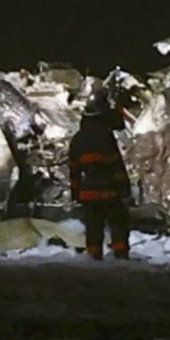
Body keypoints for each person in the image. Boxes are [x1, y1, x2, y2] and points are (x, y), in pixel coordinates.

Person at [68, 89, 130, 260]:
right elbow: (115, 164)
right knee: (118, 222)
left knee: (93, 227)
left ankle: (94, 255)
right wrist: (124, 188)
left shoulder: (78, 139)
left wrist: (75, 192)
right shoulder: (104, 137)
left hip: (87, 193)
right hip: (108, 190)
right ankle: (121, 254)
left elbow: (73, 169)